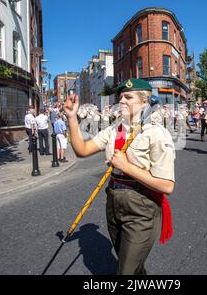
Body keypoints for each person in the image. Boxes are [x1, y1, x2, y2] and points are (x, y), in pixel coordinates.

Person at [63, 78, 175, 275]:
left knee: (125, 272)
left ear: (144, 102)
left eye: (128, 97)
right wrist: (72, 118)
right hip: (114, 204)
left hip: (141, 208)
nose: (122, 100)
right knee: (132, 267)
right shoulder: (114, 129)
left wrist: (127, 167)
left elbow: (166, 186)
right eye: (121, 96)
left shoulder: (157, 133)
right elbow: (82, 149)